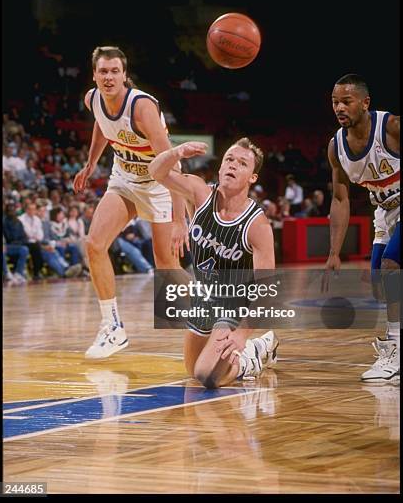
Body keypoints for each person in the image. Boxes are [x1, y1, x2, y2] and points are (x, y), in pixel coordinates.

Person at [73, 46, 188, 359]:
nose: (108, 77)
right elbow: (101, 124)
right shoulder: (92, 98)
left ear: (125, 75)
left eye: (114, 71)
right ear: (94, 74)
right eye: (103, 71)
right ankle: (112, 327)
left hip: (159, 183)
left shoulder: (142, 107)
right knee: (94, 244)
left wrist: (181, 219)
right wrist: (90, 163)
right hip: (124, 179)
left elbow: (171, 161)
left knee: (167, 266)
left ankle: (217, 317)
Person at [149, 137, 279, 389]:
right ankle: (258, 346)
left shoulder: (257, 225)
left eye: (242, 163)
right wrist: (176, 153)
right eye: (229, 159)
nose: (232, 165)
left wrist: (242, 334)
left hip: (234, 305)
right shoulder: (198, 192)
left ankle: (250, 357)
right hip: (203, 299)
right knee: (192, 370)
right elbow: (156, 172)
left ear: (252, 177)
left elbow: (267, 290)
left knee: (208, 376)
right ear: (220, 167)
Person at [326, 73, 400, 383]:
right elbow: (340, 199)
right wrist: (334, 252)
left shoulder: (392, 127)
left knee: (391, 267)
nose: (339, 108)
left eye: (346, 101)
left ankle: (395, 350)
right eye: (334, 102)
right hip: (384, 213)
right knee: (379, 286)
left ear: (365, 103)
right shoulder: (336, 147)